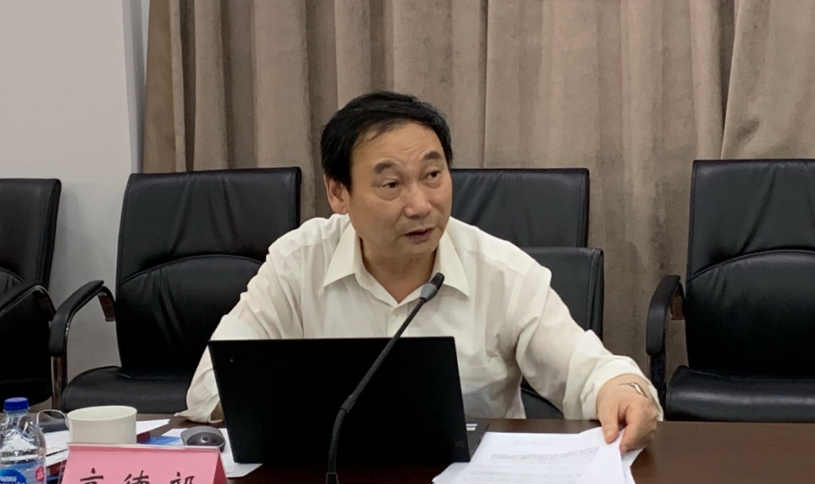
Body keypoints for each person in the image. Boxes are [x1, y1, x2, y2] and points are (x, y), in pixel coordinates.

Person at [179, 91, 662, 451]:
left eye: (433, 176)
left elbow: (588, 370)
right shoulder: (298, 262)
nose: (420, 205)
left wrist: (624, 391)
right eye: (391, 184)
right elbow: (209, 387)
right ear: (338, 193)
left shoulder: (501, 271)